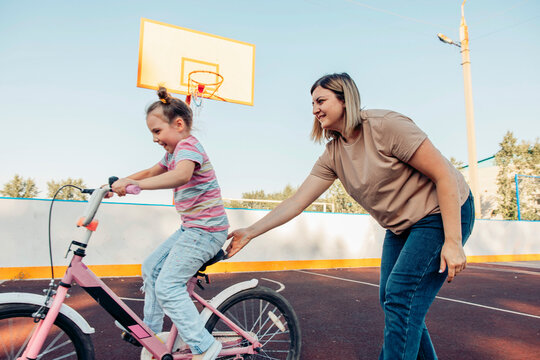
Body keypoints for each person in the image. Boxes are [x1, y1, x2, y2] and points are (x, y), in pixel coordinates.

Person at [226, 73, 475, 359]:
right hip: (400, 227)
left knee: (400, 296)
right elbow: (296, 201)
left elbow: (444, 174)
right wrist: (251, 231)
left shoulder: (386, 126)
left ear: (345, 100)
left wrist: (453, 241)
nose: (314, 109)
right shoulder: (333, 154)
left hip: (441, 212)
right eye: (312, 103)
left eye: (321, 100)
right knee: (393, 301)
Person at [111, 87, 228, 360]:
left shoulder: (189, 146)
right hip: (191, 228)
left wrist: (137, 186)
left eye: (157, 131)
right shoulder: (172, 152)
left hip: (207, 231)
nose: (154, 139)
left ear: (178, 124)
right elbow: (152, 171)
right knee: (151, 267)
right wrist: (120, 183)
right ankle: (149, 331)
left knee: (167, 286)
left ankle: (204, 345)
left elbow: (181, 176)